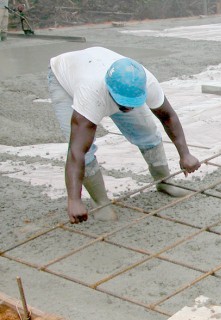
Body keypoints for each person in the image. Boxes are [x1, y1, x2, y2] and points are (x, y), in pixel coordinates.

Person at [48, 47, 202, 224]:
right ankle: (101, 203)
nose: (128, 108)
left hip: (98, 65)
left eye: (132, 103)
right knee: (85, 148)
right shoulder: (90, 94)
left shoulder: (146, 82)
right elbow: (76, 151)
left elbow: (168, 117)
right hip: (65, 77)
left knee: (147, 132)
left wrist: (185, 154)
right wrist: (74, 200)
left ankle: (164, 181)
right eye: (124, 103)